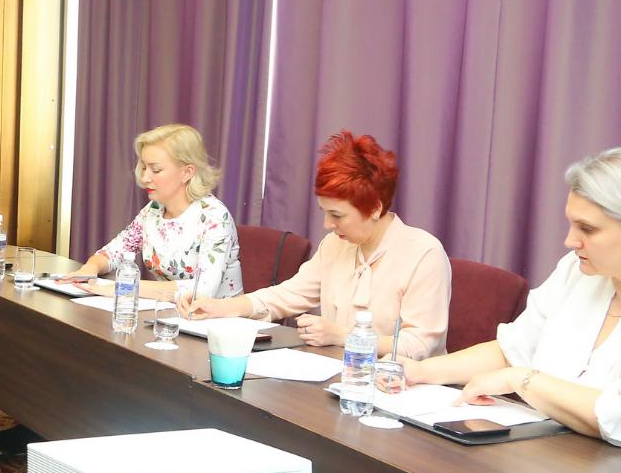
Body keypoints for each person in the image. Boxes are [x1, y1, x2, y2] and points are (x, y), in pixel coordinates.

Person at [401, 147, 621, 456]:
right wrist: (421, 371)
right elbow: (512, 350)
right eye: (571, 224)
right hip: (548, 455)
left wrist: (523, 380)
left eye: (587, 229)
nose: (570, 241)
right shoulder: (577, 271)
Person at [182, 131, 450, 357]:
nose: (327, 224)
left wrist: (342, 336)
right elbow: (287, 295)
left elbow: (419, 345)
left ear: (375, 209)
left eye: (337, 215)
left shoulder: (423, 253)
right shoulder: (335, 245)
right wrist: (221, 307)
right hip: (338, 376)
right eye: (324, 212)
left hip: (399, 385)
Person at [58, 122, 244, 300]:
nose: (145, 177)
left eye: (156, 170)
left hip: (218, 318)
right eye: (144, 168)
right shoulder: (153, 210)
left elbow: (202, 290)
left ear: (187, 173)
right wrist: (90, 269)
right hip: (168, 313)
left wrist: (124, 286)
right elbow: (115, 251)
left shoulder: (214, 217)